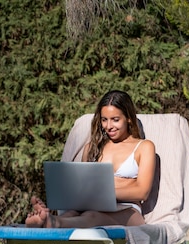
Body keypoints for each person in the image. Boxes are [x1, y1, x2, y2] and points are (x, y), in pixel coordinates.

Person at [25, 90, 156, 228]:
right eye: (104, 120)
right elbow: (84, 188)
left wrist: (102, 192)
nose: (109, 126)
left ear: (128, 118)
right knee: (72, 212)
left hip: (128, 210)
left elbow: (142, 191)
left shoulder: (144, 147)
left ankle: (53, 223)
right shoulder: (92, 148)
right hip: (92, 206)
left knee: (92, 216)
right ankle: (46, 220)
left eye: (115, 120)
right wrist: (125, 184)